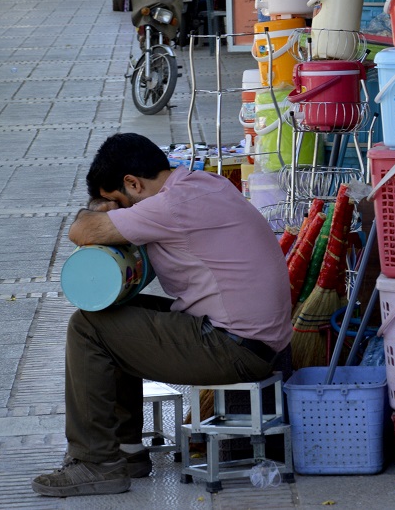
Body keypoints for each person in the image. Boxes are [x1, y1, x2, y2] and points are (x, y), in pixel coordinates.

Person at [31, 132, 292, 498]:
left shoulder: (171, 205)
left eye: (118, 202)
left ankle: (96, 463)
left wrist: (97, 210)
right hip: (255, 341)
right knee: (108, 311)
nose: (123, 212)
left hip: (233, 349)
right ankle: (127, 452)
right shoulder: (203, 183)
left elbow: (81, 231)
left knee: (87, 326)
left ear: (133, 183)